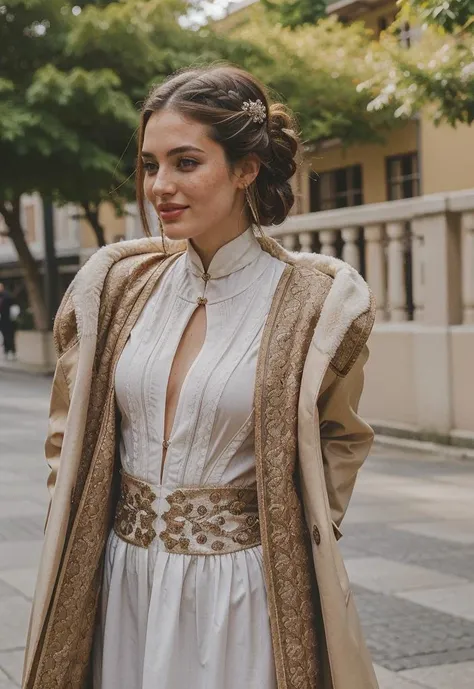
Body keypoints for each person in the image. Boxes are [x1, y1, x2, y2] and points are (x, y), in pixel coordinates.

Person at [23, 65, 379, 689]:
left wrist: (300, 530)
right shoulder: (121, 288)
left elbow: (341, 436)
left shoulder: (312, 305)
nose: (161, 185)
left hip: (240, 591)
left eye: (186, 162)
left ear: (246, 168)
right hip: (120, 577)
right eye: (151, 164)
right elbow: (67, 426)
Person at [0, 282, 17, 360]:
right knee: (4, 336)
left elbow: (14, 307)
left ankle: (13, 352)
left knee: (10, 336)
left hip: (9, 320)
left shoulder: (7, 296)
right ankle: (6, 352)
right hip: (2, 320)